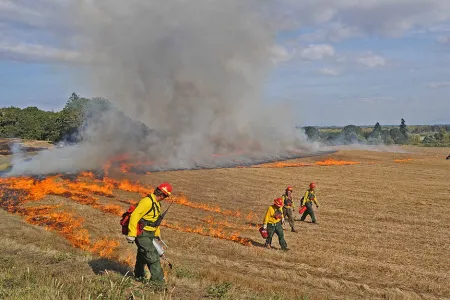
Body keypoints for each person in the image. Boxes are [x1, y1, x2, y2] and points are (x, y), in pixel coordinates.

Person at [126, 182, 172, 283]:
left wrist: (157, 233)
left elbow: (154, 221)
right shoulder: (147, 202)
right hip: (142, 234)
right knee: (153, 256)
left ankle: (139, 276)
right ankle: (158, 283)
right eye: (165, 196)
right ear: (162, 194)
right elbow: (135, 216)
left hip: (150, 234)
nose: (165, 198)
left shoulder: (157, 204)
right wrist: (131, 234)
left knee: (143, 255)